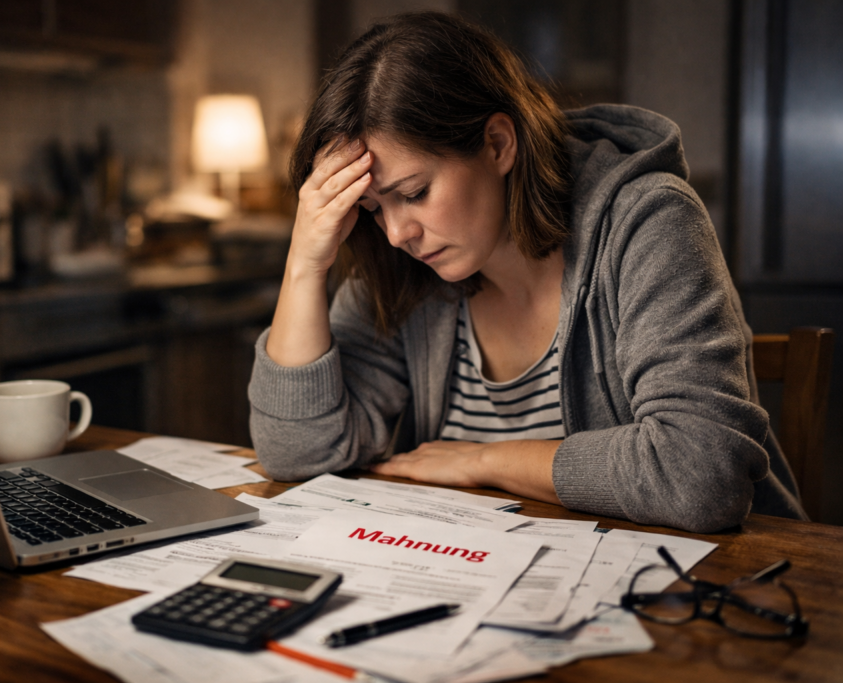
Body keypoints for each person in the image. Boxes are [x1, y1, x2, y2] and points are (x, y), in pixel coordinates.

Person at [247, 11, 805, 532]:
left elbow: (700, 475)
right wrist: (304, 265)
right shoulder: (403, 263)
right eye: (372, 208)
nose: (396, 232)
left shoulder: (647, 221)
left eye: (414, 193)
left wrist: (485, 461)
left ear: (498, 144)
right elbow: (297, 453)